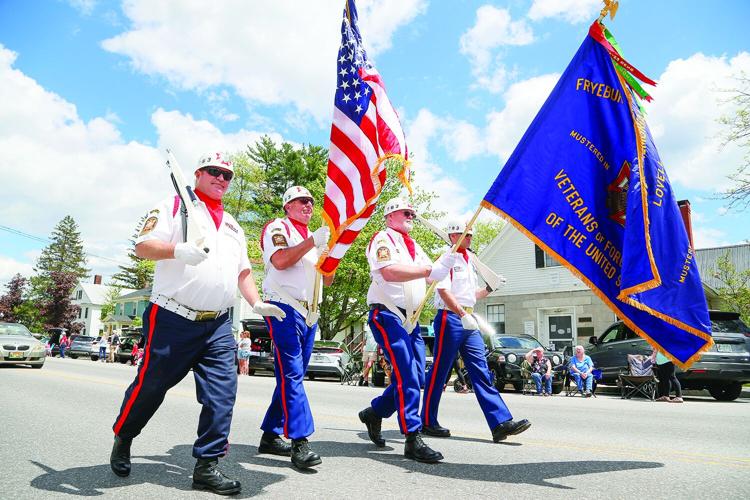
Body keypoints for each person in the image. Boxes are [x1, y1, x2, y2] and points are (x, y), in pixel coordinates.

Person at [109, 151, 285, 495]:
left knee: (223, 396)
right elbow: (143, 246)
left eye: (227, 175)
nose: (221, 179)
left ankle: (207, 465)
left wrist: (256, 301)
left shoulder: (233, 225)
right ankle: (124, 436)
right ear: (199, 174)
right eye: (214, 172)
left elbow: (243, 271)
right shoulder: (175, 206)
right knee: (151, 387)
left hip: (218, 324)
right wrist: (177, 251)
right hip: (173, 317)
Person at [358, 198, 459, 463]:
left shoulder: (414, 247)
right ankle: (412, 437)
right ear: (390, 215)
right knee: (407, 375)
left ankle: (375, 412)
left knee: (416, 376)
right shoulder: (383, 239)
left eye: (413, 212)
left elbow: (431, 276)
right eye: (406, 212)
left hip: (410, 320)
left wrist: (446, 262)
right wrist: (429, 268)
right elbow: (389, 272)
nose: (411, 216)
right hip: (388, 314)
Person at [421, 220, 530, 443]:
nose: (470, 238)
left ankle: (500, 422)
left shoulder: (470, 260)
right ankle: (427, 421)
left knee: (481, 369)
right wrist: (462, 314)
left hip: (468, 318)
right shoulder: (447, 258)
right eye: (465, 234)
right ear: (453, 236)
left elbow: (472, 294)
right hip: (450, 317)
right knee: (441, 372)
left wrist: (491, 287)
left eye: (471, 234)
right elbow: (443, 291)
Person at [258, 185, 332, 469]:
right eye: (302, 200)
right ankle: (300, 441)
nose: (308, 205)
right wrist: (313, 241)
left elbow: (329, 279)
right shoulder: (279, 227)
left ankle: (270, 433)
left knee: (294, 375)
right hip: (283, 307)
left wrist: (330, 253)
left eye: (311, 201)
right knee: (292, 373)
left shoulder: (311, 239)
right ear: (288, 205)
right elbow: (280, 261)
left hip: (309, 312)